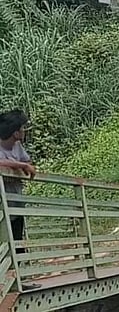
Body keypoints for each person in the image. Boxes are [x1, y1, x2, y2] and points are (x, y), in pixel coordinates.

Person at [0, 110, 39, 288]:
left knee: (17, 244)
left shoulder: (17, 147)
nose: (24, 131)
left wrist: (24, 165)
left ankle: (17, 281)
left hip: (16, 204)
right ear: (15, 132)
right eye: (22, 128)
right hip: (2, 207)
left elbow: (28, 161)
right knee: (3, 245)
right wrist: (21, 166)